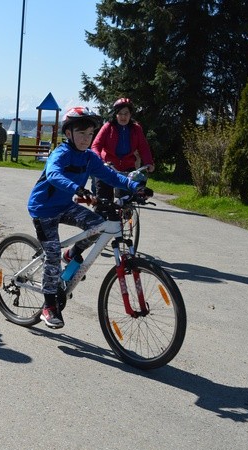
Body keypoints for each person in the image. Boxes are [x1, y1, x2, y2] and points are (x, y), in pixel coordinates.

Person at [27, 107, 147, 329]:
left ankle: (72, 253)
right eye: (81, 133)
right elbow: (53, 174)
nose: (86, 138)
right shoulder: (60, 154)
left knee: (99, 224)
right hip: (43, 208)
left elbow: (110, 175)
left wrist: (134, 186)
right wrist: (77, 188)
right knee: (51, 254)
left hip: (64, 206)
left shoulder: (90, 157)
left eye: (90, 134)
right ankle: (49, 305)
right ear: (69, 133)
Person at [91, 97, 155, 201]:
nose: (123, 117)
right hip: (108, 167)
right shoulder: (108, 126)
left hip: (127, 168)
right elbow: (96, 145)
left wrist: (149, 162)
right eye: (120, 113)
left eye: (126, 113)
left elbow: (144, 147)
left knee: (126, 200)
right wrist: (99, 161)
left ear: (131, 115)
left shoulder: (136, 128)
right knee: (104, 201)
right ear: (115, 114)